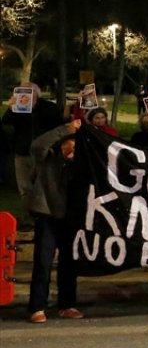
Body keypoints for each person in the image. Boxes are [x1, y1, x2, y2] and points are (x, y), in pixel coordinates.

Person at [25, 119, 83, 323]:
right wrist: (65, 129)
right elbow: (37, 145)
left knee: (69, 263)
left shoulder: (80, 165)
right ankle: (37, 307)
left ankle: (67, 305)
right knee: (43, 262)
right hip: (47, 215)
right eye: (71, 144)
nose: (74, 148)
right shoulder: (47, 158)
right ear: (62, 143)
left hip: (69, 217)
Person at [5, 83, 65, 219]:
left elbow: (58, 126)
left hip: (43, 154)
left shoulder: (48, 108)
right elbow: (6, 121)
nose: (24, 95)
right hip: (22, 153)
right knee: (25, 187)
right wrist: (11, 108)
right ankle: (29, 217)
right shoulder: (17, 109)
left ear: (36, 94)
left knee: (43, 186)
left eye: (28, 92)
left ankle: (44, 216)